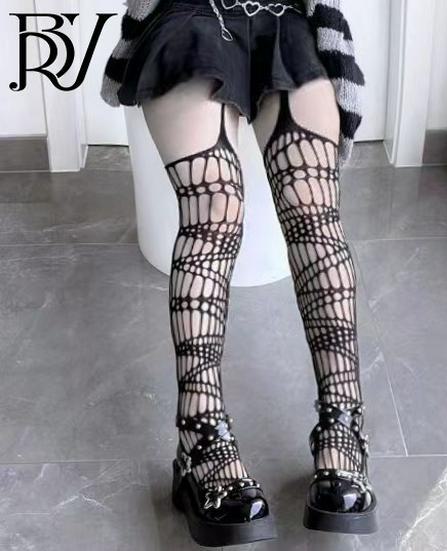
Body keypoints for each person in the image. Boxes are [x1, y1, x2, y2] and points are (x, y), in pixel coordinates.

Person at [100, 0, 377, 546]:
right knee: (213, 210)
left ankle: (344, 423)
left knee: (315, 212)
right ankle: (200, 437)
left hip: (290, 22)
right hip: (189, 18)